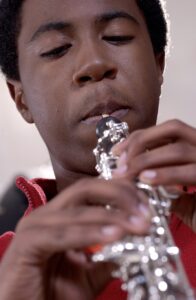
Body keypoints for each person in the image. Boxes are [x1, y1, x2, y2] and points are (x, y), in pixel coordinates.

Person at [0, 0, 196, 299]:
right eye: (56, 49)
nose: (94, 65)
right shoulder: (9, 271)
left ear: (159, 65)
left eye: (117, 36)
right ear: (21, 99)